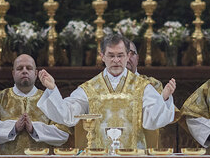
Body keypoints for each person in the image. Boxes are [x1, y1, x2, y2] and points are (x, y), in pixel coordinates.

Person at [37, 33, 176, 149]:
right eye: (111, 55)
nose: (116, 60)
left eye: (120, 55)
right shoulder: (90, 88)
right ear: (102, 56)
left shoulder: (143, 87)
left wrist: (163, 98)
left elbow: (152, 120)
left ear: (128, 56)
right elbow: (68, 114)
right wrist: (52, 89)